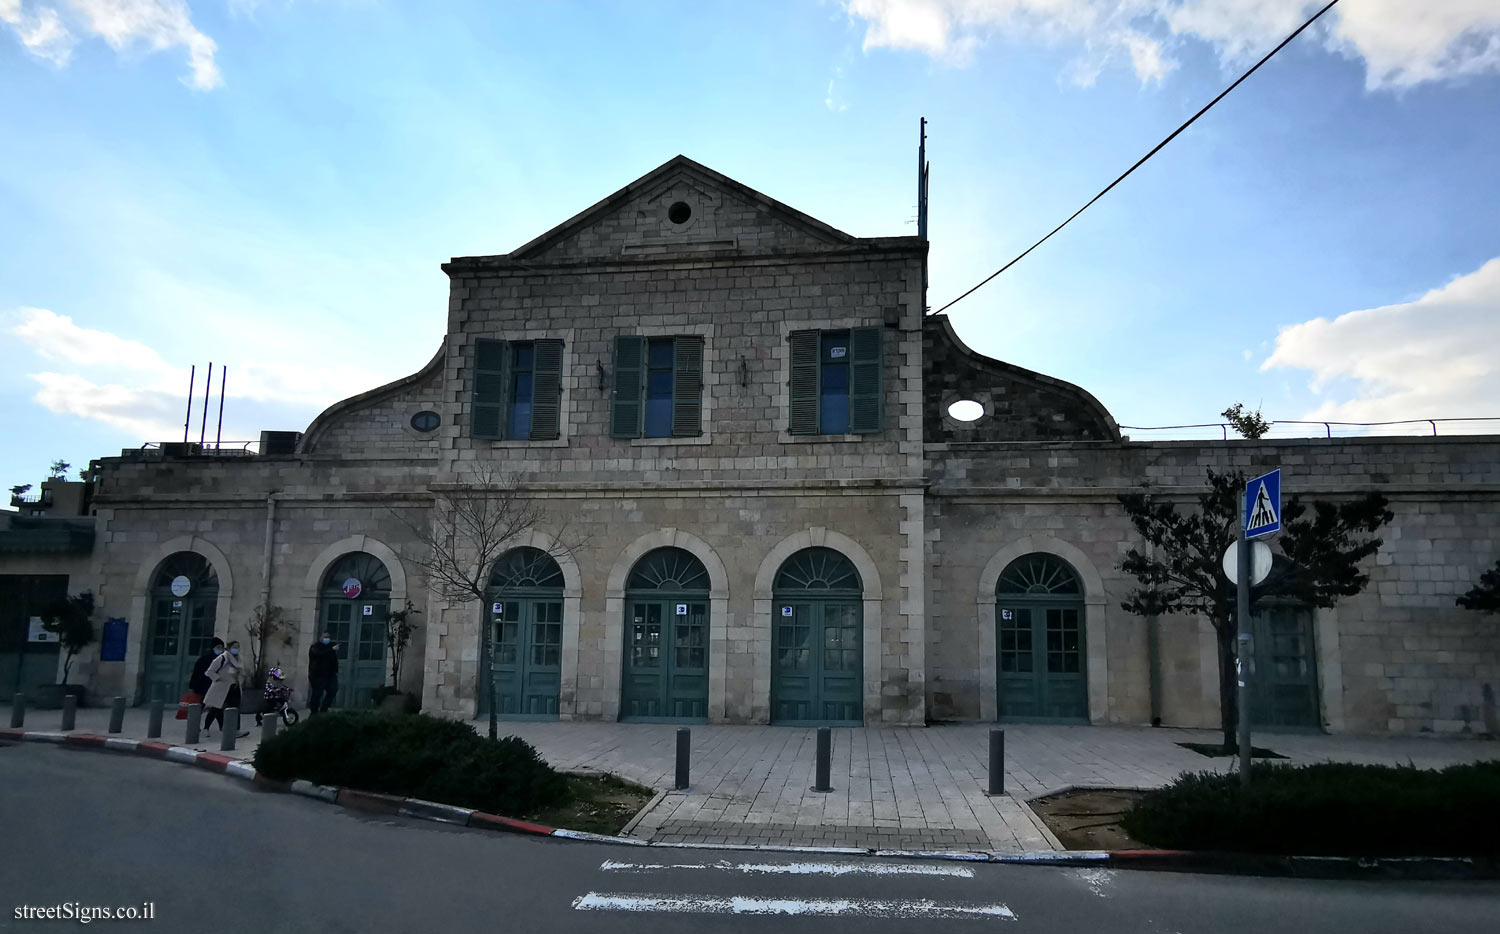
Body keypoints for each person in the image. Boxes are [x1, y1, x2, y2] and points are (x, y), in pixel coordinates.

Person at [202, 640, 248, 738]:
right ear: (229, 647)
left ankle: (236, 730)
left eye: (238, 647)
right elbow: (210, 671)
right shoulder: (222, 658)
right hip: (222, 687)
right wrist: (218, 679)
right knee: (216, 708)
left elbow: (242, 672)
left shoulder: (239, 659)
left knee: (235, 708)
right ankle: (206, 728)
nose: (237, 649)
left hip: (234, 687)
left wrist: (241, 680)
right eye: (235, 647)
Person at [307, 631, 339, 715]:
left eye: (328, 637)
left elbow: (333, 659)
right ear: (320, 637)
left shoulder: (330, 646)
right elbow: (319, 654)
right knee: (317, 693)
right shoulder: (315, 647)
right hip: (317, 675)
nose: (326, 639)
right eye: (325, 637)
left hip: (330, 674)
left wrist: (335, 670)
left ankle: (324, 710)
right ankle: (313, 712)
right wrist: (331, 649)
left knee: (333, 690)